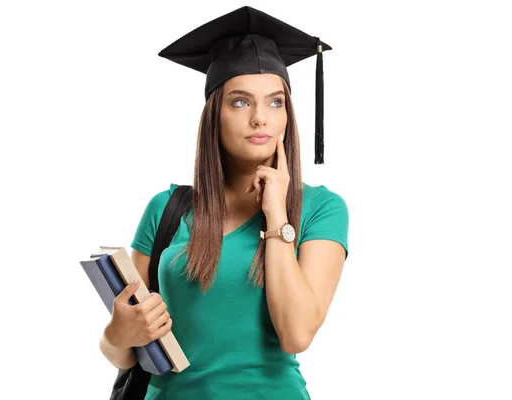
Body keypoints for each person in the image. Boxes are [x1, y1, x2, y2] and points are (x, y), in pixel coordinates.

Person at [99, 6, 349, 399]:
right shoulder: (166, 209)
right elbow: (125, 351)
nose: (260, 119)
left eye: (275, 102)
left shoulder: (320, 208)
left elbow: (296, 333)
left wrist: (276, 215)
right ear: (214, 114)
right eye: (240, 102)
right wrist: (117, 333)